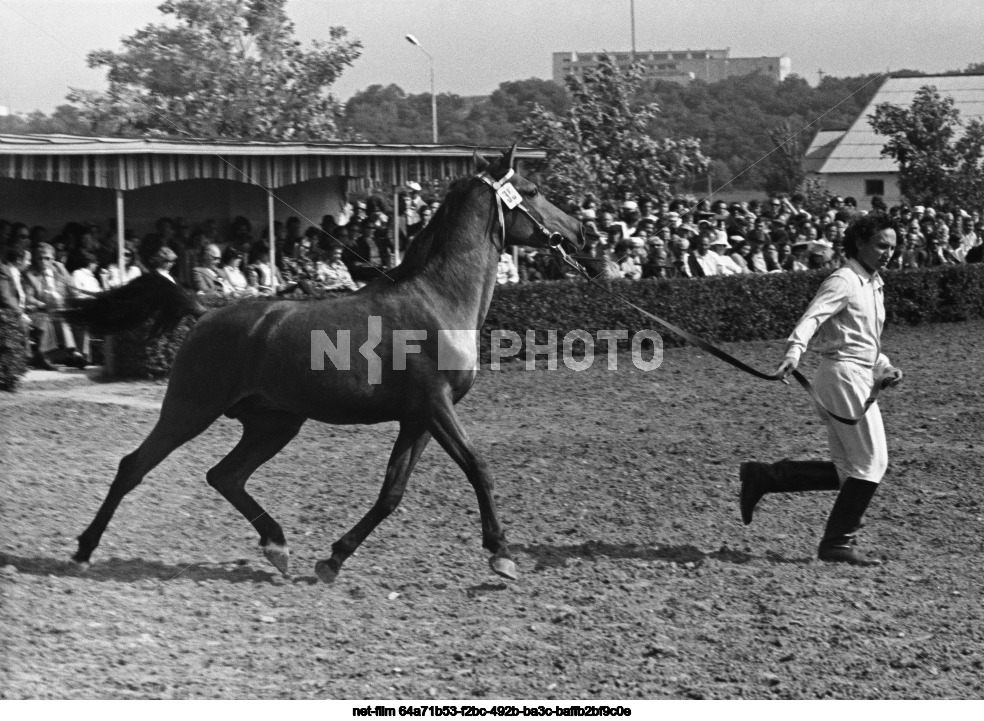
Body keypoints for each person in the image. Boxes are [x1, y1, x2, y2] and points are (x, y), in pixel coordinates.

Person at [739, 214, 903, 566]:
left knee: (849, 468)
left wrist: (883, 367)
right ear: (859, 243)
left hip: (856, 374)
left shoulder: (873, 283)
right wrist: (793, 352)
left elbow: (863, 340)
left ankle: (766, 476)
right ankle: (837, 544)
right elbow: (813, 317)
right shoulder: (844, 279)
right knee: (872, 464)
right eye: (881, 245)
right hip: (843, 377)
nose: (888, 252)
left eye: (892, 247)